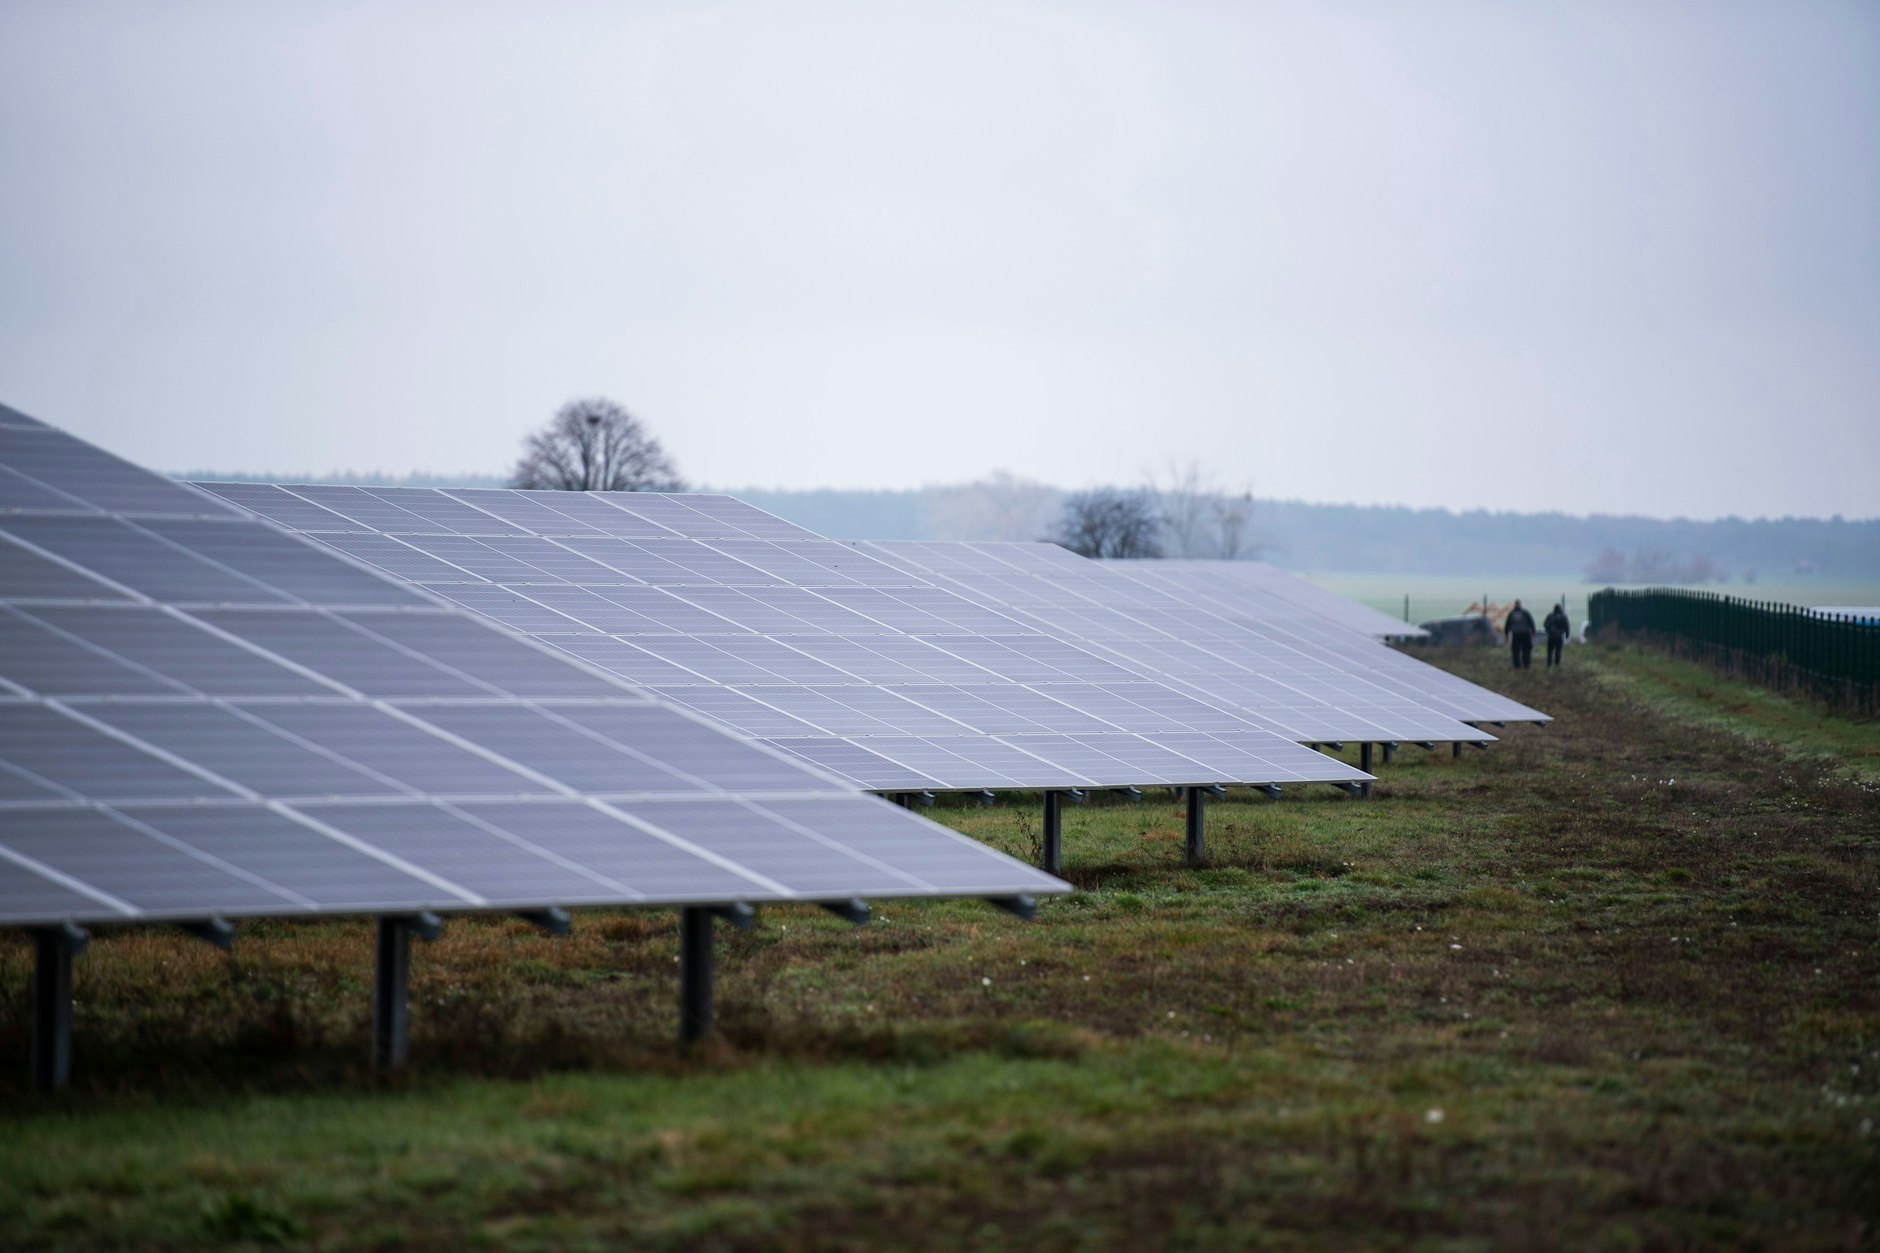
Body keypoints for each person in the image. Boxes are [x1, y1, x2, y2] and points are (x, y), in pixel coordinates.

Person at [1504, 599, 1536, 669]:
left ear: (1515, 605)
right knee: (1527, 649)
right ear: (1520, 605)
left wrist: (1506, 634)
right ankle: (1526, 664)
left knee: (1516, 650)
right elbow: (1531, 622)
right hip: (1526, 633)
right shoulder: (1525, 613)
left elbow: (1508, 624)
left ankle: (1517, 665)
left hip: (1516, 634)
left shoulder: (1511, 614)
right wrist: (1533, 632)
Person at [1544, 602, 1570, 667]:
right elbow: (1566, 626)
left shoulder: (1550, 616)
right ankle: (1557, 664)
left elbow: (1545, 624)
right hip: (1559, 636)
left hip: (1551, 636)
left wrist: (1548, 631)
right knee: (1558, 651)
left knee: (1550, 651)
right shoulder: (1563, 616)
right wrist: (1567, 635)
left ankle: (1549, 664)